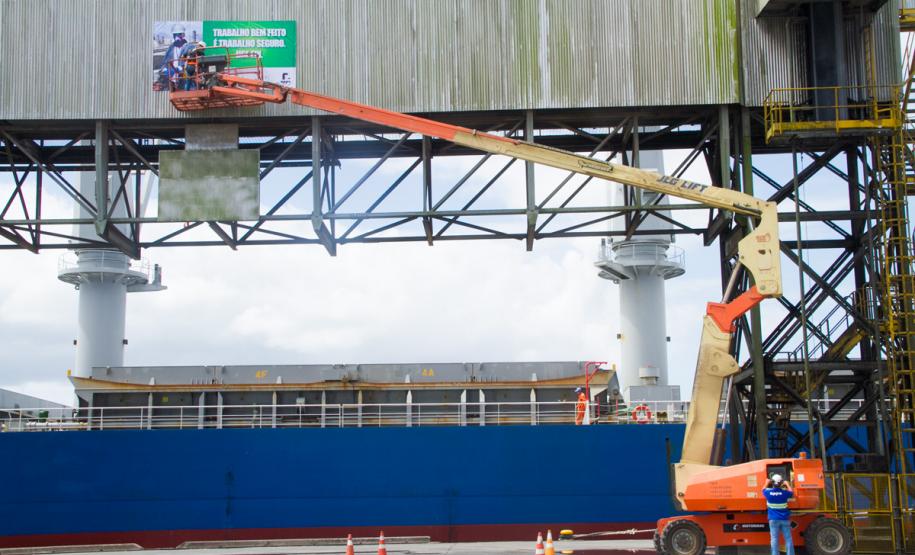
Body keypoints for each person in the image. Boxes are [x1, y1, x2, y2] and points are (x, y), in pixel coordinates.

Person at [763, 473, 794, 555]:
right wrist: (787, 484)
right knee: (788, 538)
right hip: (784, 519)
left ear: (772, 482)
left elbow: (763, 489)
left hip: (773, 520)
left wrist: (766, 482)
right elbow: (791, 492)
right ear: (781, 483)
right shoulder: (785, 493)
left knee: (774, 539)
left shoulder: (768, 493)